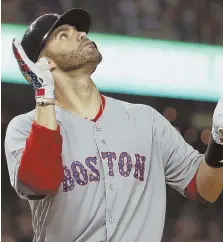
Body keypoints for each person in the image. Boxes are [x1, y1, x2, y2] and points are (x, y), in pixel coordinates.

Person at [4, 8, 223, 242]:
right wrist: (44, 94)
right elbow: (39, 183)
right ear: (44, 64)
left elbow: (205, 189)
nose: (80, 34)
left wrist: (219, 140)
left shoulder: (145, 119)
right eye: (63, 35)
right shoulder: (24, 128)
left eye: (79, 30)